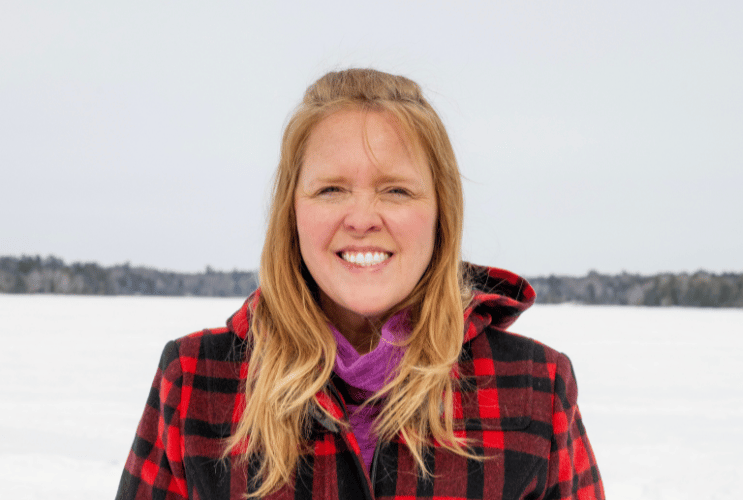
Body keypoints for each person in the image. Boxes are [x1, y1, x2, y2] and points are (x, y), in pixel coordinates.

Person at [116, 68, 604, 500]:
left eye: (396, 190)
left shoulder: (534, 388)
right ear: (292, 212)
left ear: (441, 213)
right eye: (331, 189)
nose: (363, 218)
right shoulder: (196, 379)